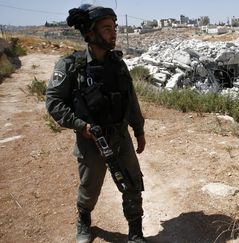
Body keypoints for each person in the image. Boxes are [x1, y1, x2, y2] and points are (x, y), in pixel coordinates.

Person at [45, 4, 146, 243]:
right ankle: (84, 221)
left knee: (132, 182)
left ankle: (135, 232)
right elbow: (53, 101)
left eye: (115, 27)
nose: (114, 33)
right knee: (90, 189)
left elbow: (130, 99)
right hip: (91, 140)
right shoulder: (72, 66)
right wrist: (80, 125)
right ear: (90, 34)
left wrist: (139, 129)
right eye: (107, 28)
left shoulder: (118, 64)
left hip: (121, 137)